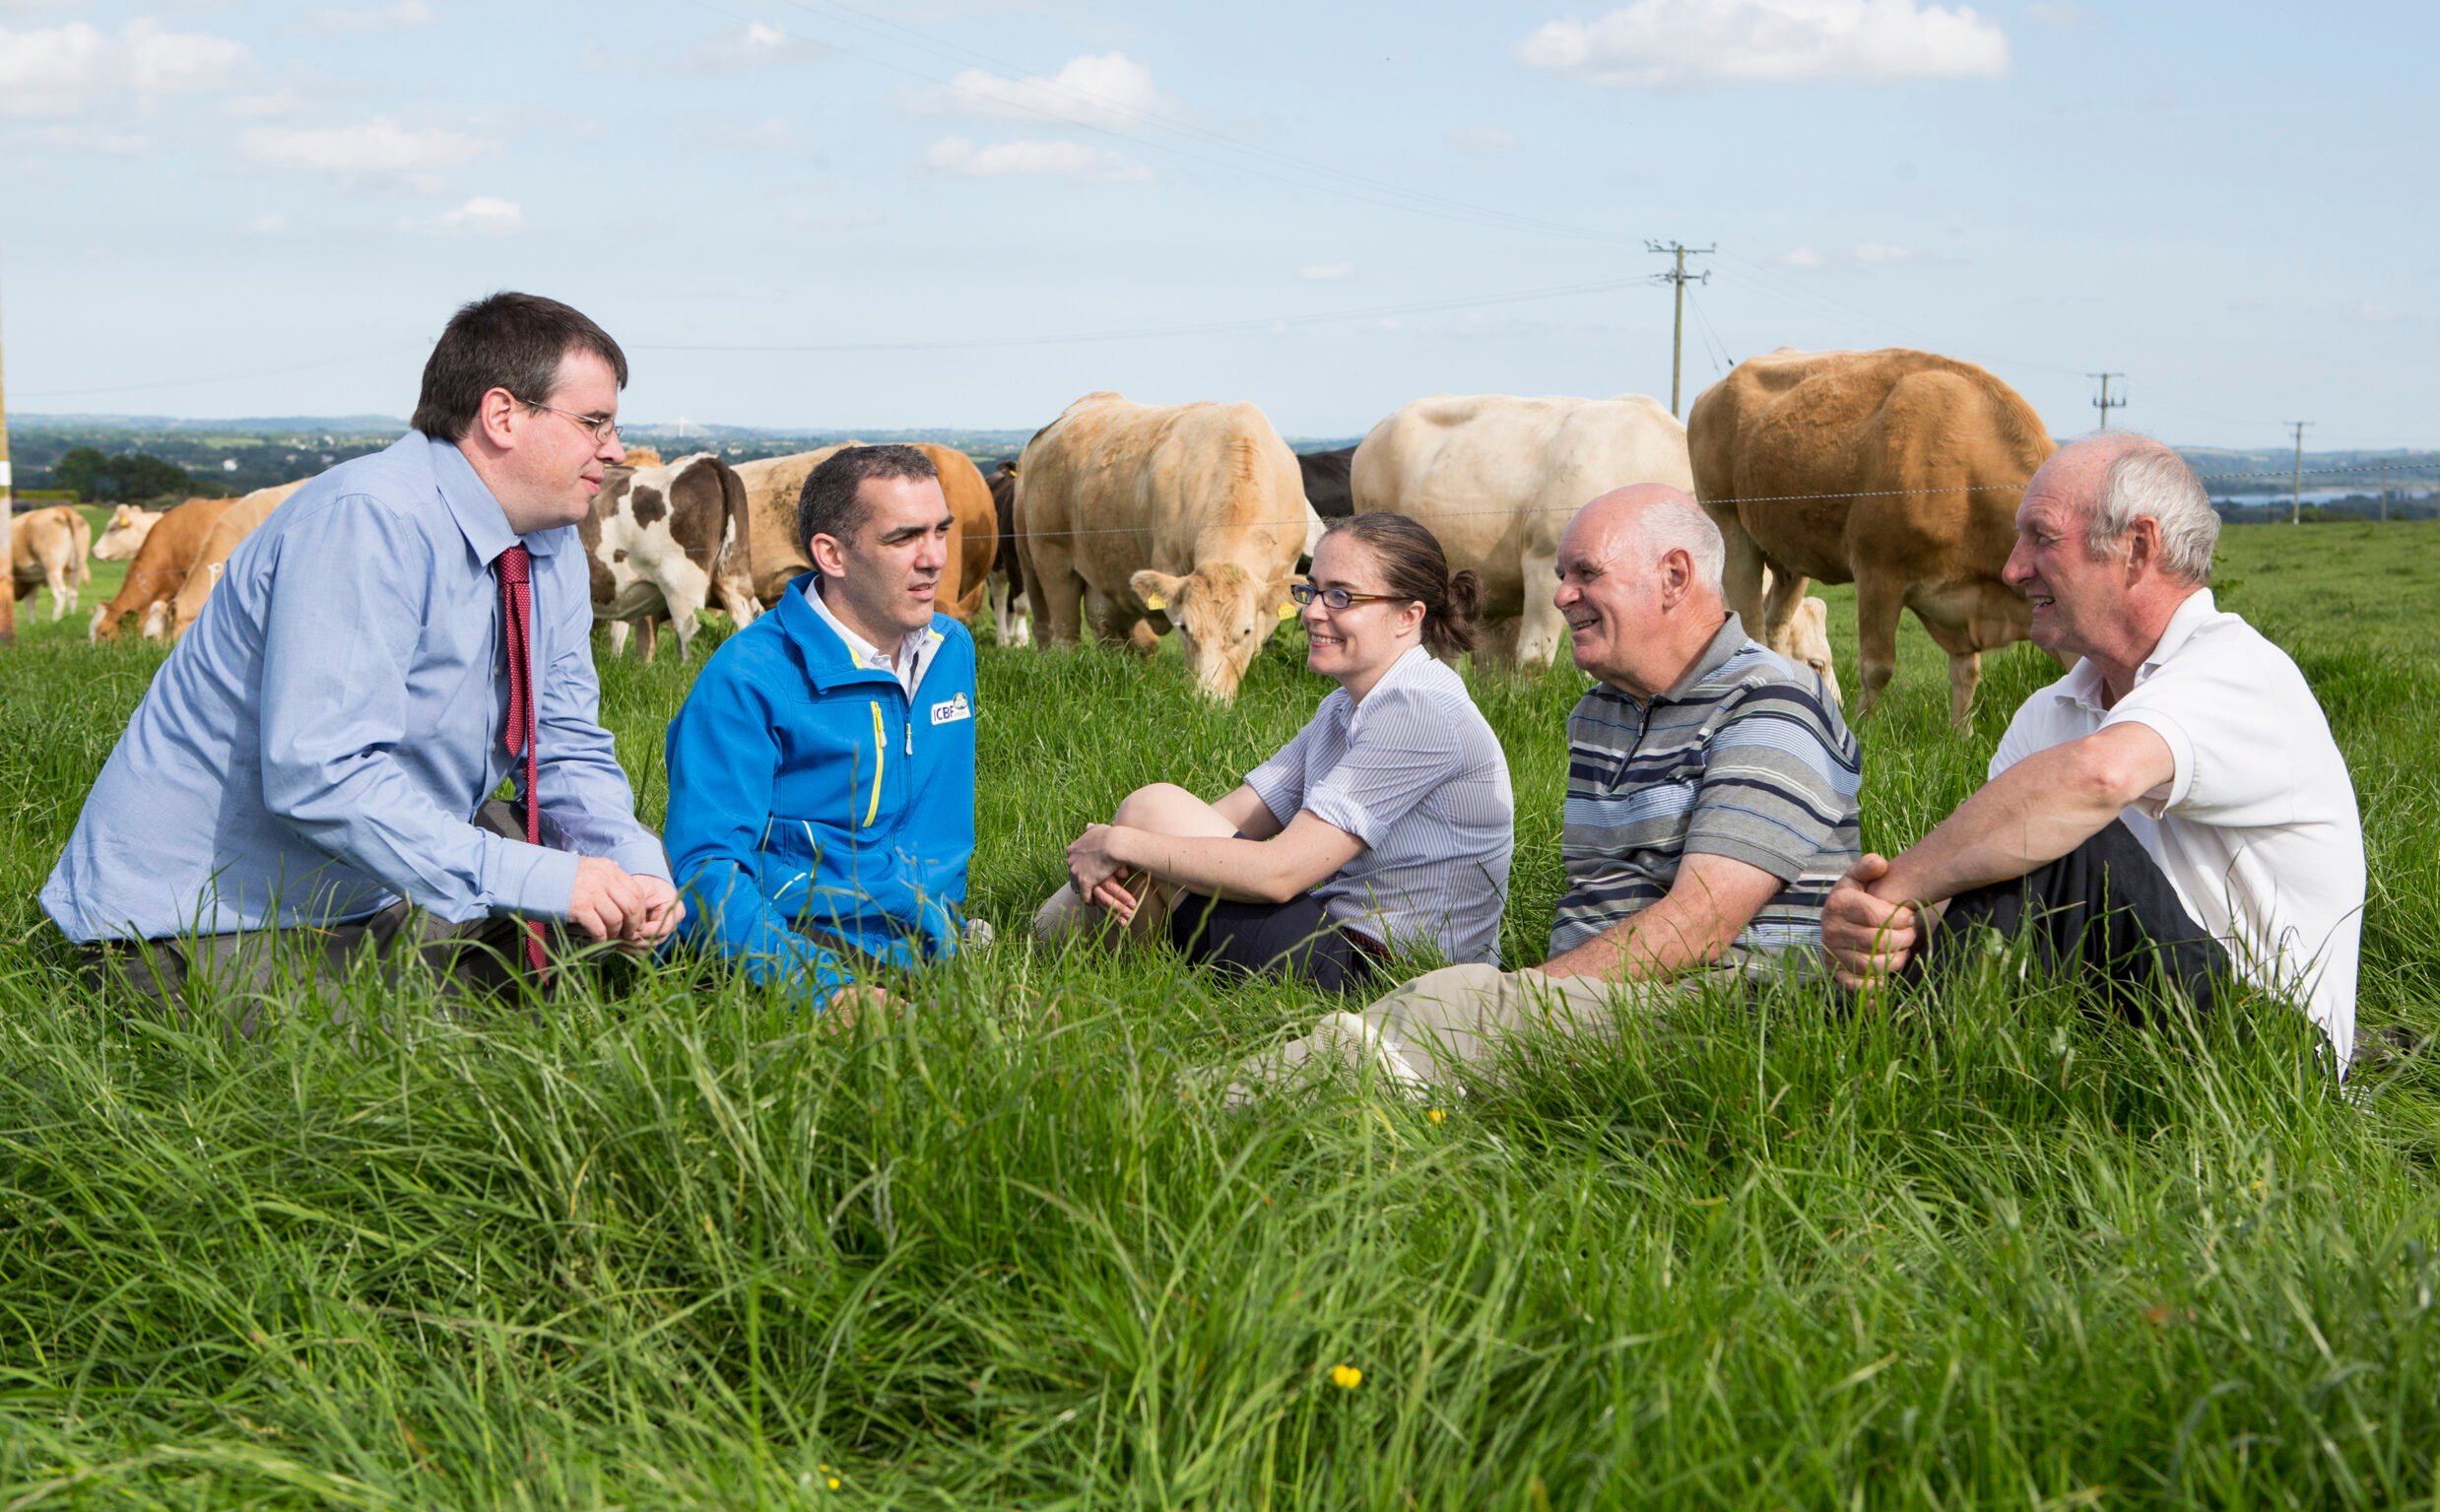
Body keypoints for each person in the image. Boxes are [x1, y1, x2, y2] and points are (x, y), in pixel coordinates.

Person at [42, 293, 683, 1029]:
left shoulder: (548, 544)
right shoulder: (369, 520)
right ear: (502, 415)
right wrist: (545, 877)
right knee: (417, 1066)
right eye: (594, 422)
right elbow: (319, 773)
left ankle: (452, 961)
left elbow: (563, 740)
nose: (614, 449)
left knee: (594, 925)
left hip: (371, 879)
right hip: (211, 911)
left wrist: (630, 861)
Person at [1223, 485, 1862, 1096]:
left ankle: (1201, 1113)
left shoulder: (1771, 703)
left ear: (1674, 577)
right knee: (1452, 1004)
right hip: (1608, 997)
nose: (1560, 595)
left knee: (1451, 1005)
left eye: (1585, 572)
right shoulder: (1600, 713)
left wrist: (1524, 996)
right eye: (1561, 573)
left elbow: (1701, 922)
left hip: (1728, 1014)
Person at [1820, 433, 2365, 1076]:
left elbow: (2097, 777)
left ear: (2137, 548)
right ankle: (1859, 1067)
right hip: (2117, 1040)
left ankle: (1871, 1088)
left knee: (2058, 835)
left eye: (2042, 538)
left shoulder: (2241, 671)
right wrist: (1877, 925)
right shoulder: (2048, 714)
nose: (2012, 568)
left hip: (2274, 1059)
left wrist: (1903, 883)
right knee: (2012, 837)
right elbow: (1975, 887)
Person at [1036, 511, 1513, 996]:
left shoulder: (1418, 710)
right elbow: (1225, 814)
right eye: (1313, 591)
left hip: (1386, 979)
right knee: (1150, 824)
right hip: (1338, 940)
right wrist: (1119, 845)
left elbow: (1279, 873)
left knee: (1149, 811)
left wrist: (1119, 844)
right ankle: (1081, 966)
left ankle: (1069, 965)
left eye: (1341, 597)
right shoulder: (1344, 707)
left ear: (1408, 615)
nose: (1311, 612)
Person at [665, 444, 977, 1012]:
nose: (934, 558)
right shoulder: (748, 678)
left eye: (941, 531)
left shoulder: (949, 652)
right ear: (831, 555)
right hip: (800, 950)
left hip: (931, 948)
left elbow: (938, 832)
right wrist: (821, 990)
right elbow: (706, 867)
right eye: (904, 537)